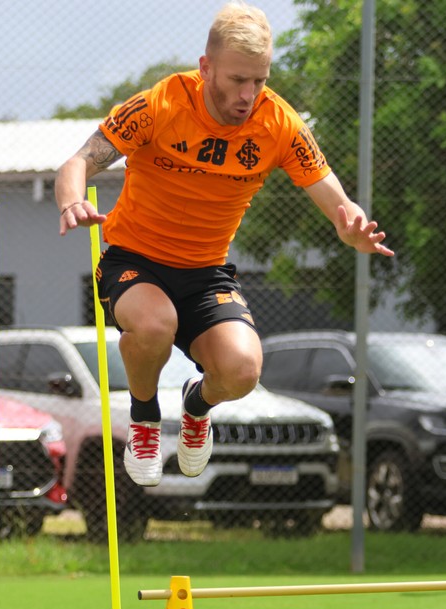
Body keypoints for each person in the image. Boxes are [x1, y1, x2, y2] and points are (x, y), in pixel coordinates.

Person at [54, 2, 394, 487]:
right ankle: (146, 420)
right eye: (237, 80)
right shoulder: (160, 105)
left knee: (242, 371)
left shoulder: (279, 124)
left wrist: (350, 227)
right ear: (206, 67)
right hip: (135, 261)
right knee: (155, 324)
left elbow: (337, 201)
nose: (249, 94)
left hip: (205, 272)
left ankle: (196, 406)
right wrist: (71, 201)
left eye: (259, 80)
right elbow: (78, 161)